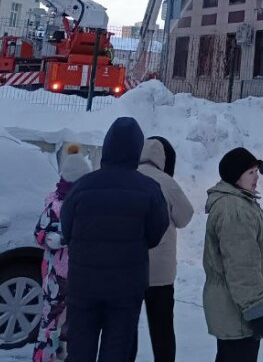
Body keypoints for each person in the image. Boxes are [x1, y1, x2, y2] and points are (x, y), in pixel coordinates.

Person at [61, 117, 169, 362]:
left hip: (83, 284)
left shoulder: (82, 186)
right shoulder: (149, 189)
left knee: (79, 349)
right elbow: (155, 235)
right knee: (118, 349)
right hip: (126, 287)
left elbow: (67, 231)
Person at [203, 147, 263, 362]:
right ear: (236, 177)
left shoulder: (238, 202)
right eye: (251, 172)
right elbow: (242, 266)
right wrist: (255, 308)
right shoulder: (235, 210)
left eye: (256, 171)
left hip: (232, 309)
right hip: (239, 312)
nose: (256, 177)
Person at [131, 136, 194, 362]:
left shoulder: (128, 176)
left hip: (130, 269)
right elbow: (185, 216)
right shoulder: (166, 182)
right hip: (161, 273)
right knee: (162, 329)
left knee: (127, 328)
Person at [34, 143, 94, 362]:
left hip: (80, 273)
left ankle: (65, 355)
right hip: (55, 276)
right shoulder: (55, 205)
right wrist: (61, 238)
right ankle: (44, 356)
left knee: (75, 322)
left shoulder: (89, 202)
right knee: (50, 320)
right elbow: (40, 234)